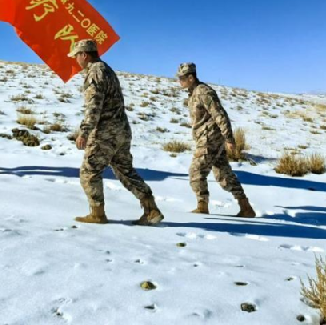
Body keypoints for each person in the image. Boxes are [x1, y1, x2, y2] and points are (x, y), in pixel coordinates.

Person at [70, 39, 163, 226]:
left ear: (84, 55)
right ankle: (151, 209)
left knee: (89, 172)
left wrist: (84, 132)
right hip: (121, 130)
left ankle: (97, 214)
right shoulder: (107, 70)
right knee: (125, 171)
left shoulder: (94, 73)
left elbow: (94, 106)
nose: (76, 60)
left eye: (77, 56)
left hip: (105, 133)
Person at [176, 62, 256, 218]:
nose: (179, 81)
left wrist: (229, 138)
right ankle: (245, 207)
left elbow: (219, 114)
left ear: (191, 78)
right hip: (207, 138)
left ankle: (202, 206)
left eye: (182, 78)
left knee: (196, 171)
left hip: (210, 139)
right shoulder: (193, 93)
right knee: (223, 174)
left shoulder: (203, 92)